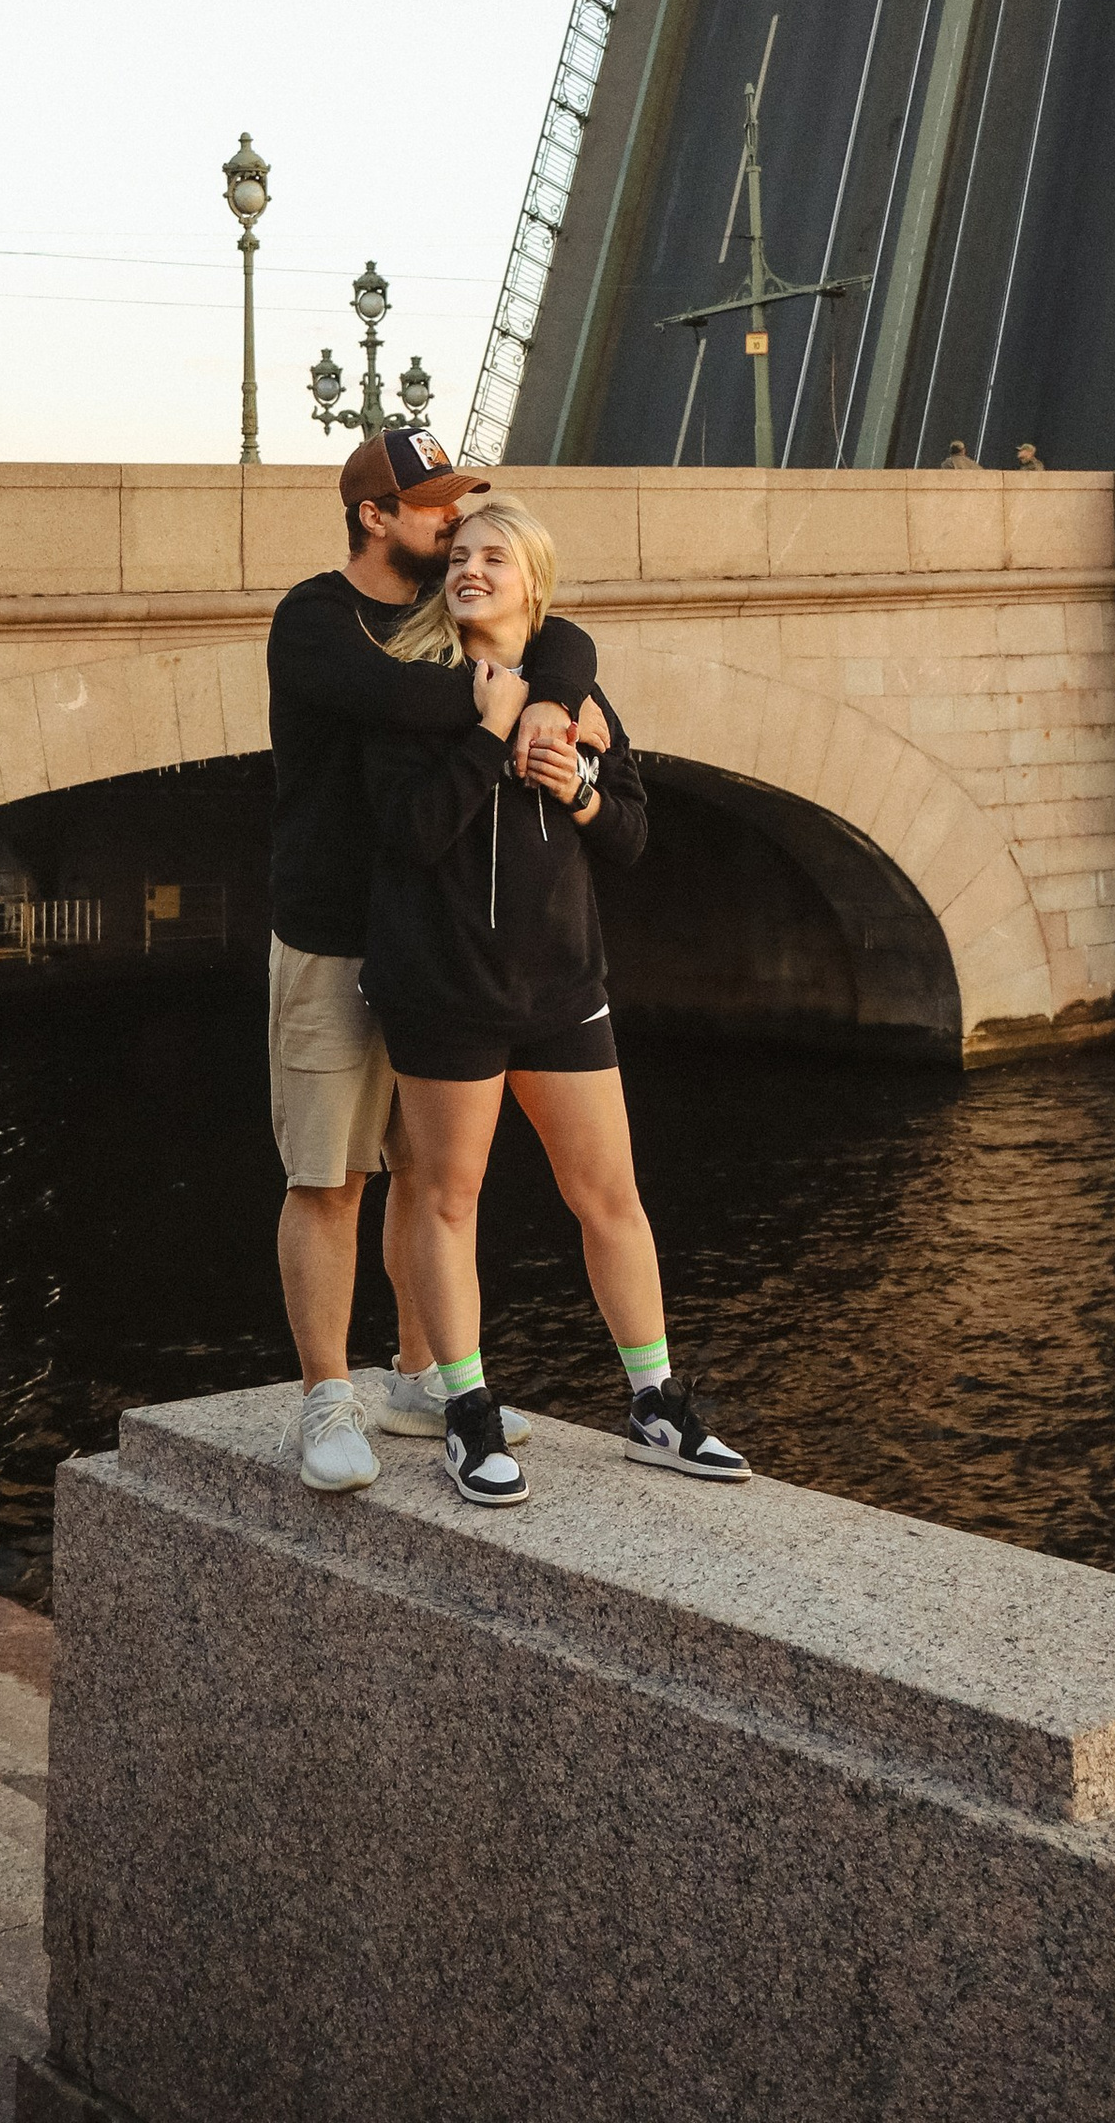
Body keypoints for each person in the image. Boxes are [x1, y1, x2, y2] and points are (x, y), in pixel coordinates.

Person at [363, 491, 749, 1506]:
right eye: (461, 556)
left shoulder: (577, 690)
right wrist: (489, 741)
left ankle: (656, 1403)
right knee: (449, 1199)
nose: (471, 569)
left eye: (495, 557)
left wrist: (574, 784)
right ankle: (468, 1412)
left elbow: (628, 834)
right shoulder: (411, 689)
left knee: (607, 1196)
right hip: (444, 990)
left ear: (532, 581)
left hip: (562, 989)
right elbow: (404, 835)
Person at [264, 426, 601, 1491]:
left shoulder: (430, 612)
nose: (456, 524)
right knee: (329, 1175)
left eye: (462, 507)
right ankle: (326, 1397)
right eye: (434, 507)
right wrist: (491, 700)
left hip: (432, 940)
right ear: (375, 515)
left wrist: (543, 692)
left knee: (423, 1168)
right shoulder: (316, 621)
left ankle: (421, 1372)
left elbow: (564, 636)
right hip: (330, 936)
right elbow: (395, 703)